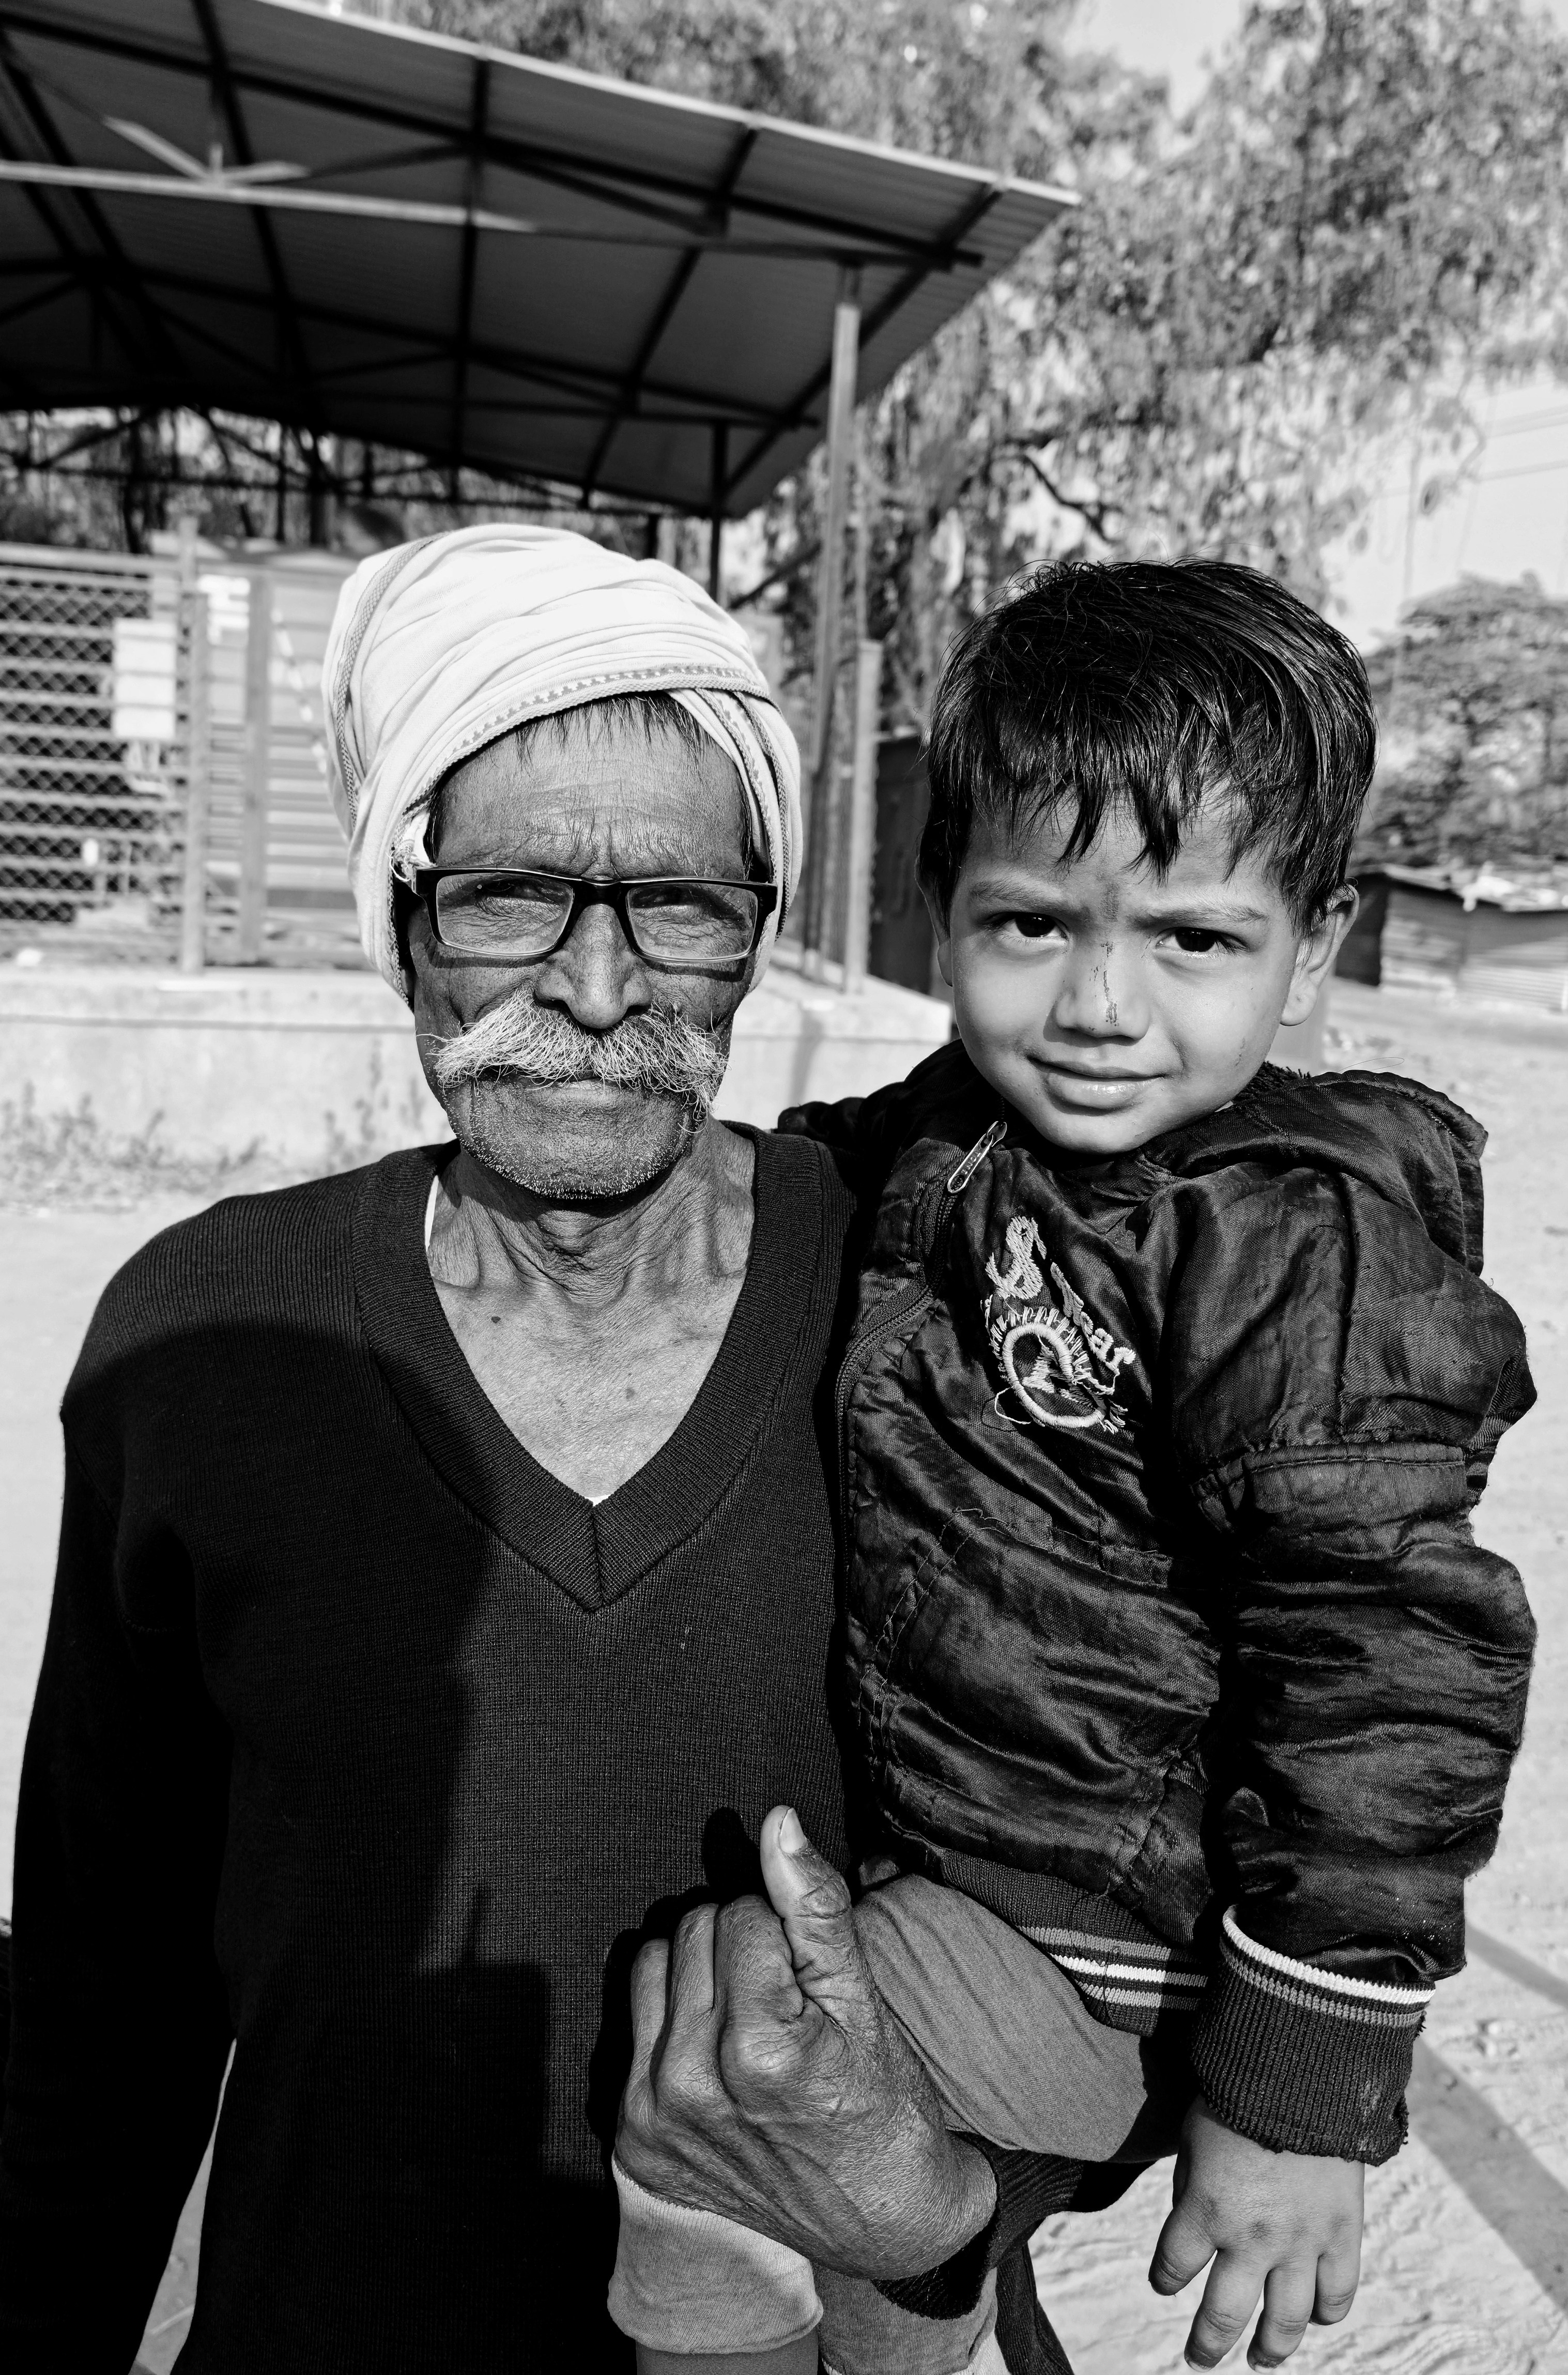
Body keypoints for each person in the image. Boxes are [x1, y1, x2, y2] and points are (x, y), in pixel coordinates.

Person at [0, 527, 1051, 2373]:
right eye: (506, 895)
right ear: (400, 911)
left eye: (680, 904)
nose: (590, 984)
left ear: (760, 928)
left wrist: (940, 2210)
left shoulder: (934, 1307)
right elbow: (99, 2001)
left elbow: (1108, 1893)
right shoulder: (204, 1337)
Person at [608, 560, 1538, 2375]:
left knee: (715, 2113)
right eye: (1032, 925)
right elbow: (784, 1179)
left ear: (1312, 938)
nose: (1101, 1005)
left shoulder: (1283, 1236)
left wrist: (1296, 2083)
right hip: (972, 1864)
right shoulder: (961, 1129)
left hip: (1112, 1922)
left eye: (1192, 939)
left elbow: (1395, 1656)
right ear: (935, 907)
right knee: (859, 2231)